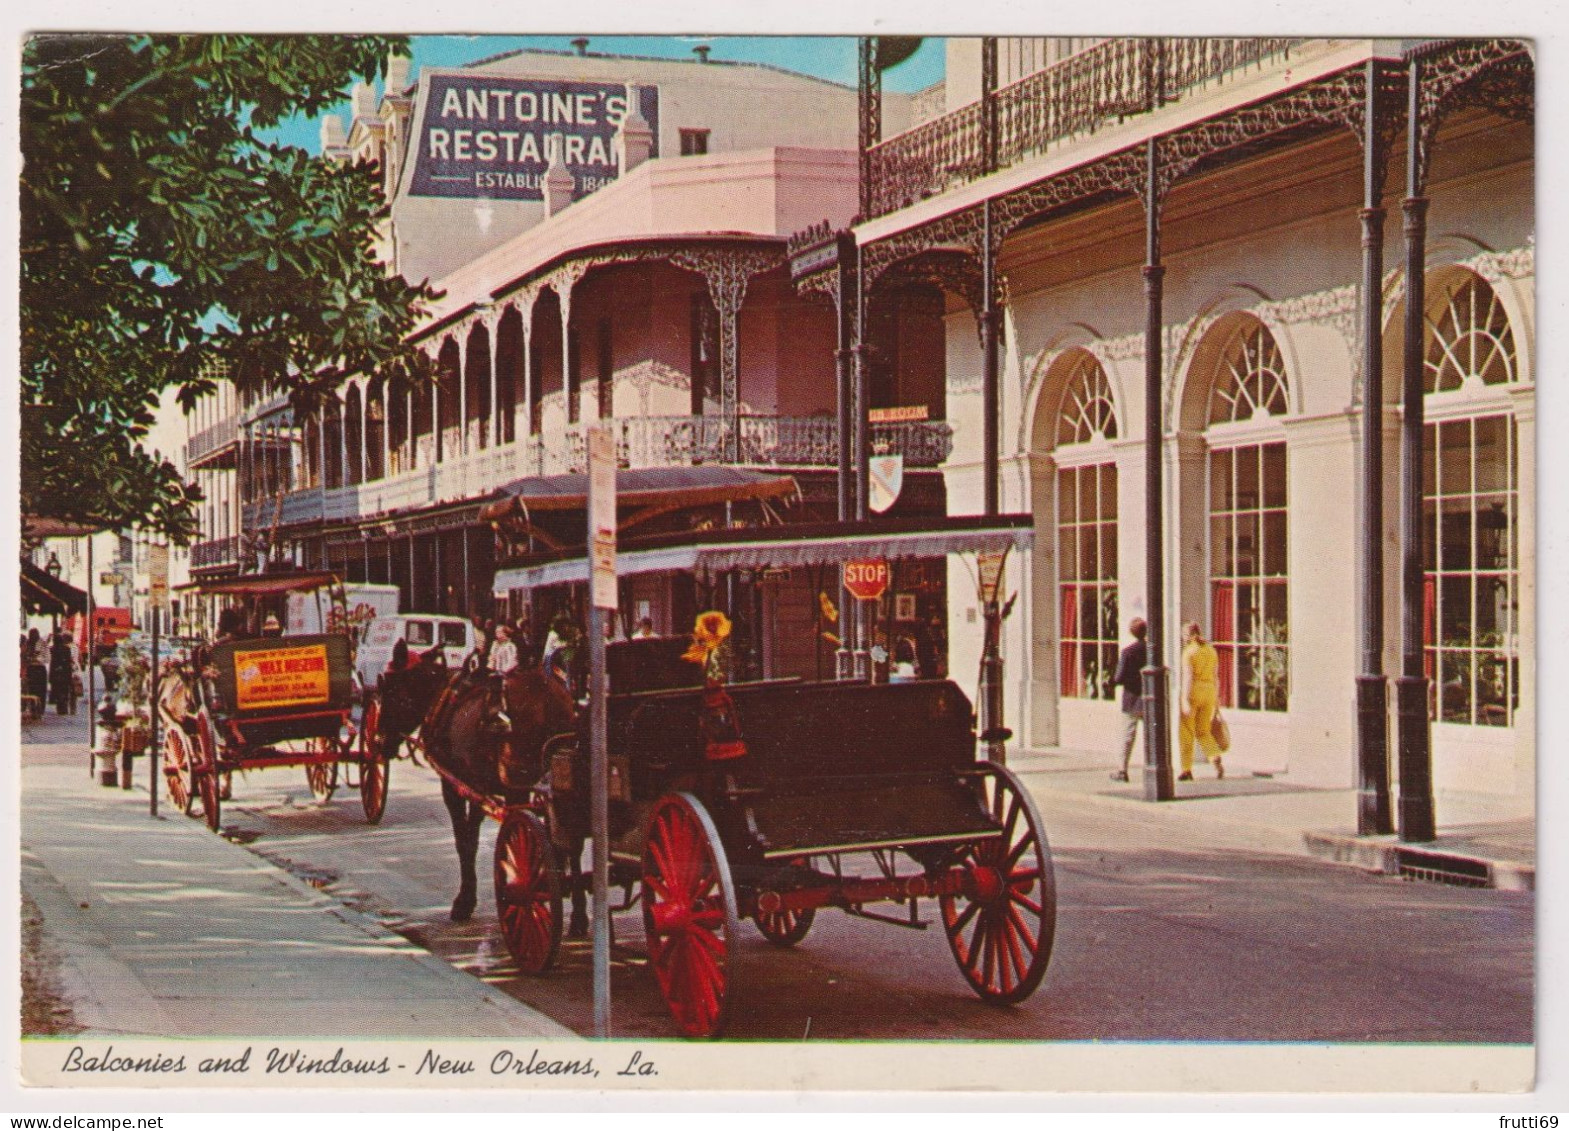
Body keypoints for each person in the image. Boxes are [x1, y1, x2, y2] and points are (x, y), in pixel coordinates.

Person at [1177, 620, 1224, 781]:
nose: (1182, 638)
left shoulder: (1189, 652)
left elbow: (1188, 677)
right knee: (1203, 731)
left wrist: (1184, 699)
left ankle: (1186, 769)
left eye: (1184, 635)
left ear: (1188, 636)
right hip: (1209, 692)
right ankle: (1214, 755)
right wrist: (1216, 701)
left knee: (1187, 732)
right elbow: (1215, 676)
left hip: (1194, 692)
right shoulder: (1211, 650)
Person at [1110, 618, 1148, 782]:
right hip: (1148, 699)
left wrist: (1111, 682)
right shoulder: (1152, 649)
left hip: (1132, 698)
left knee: (1127, 735)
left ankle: (1122, 770)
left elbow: (1119, 677)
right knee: (1151, 735)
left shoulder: (1128, 652)